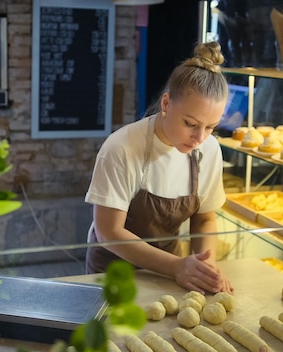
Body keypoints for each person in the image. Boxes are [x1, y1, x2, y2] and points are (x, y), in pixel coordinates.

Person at [85, 41, 234, 294]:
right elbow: (108, 231)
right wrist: (176, 267)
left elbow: (205, 217)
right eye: (190, 123)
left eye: (210, 127)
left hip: (171, 273)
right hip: (114, 272)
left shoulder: (209, 150)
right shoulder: (121, 148)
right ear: (166, 104)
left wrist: (205, 266)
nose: (200, 138)